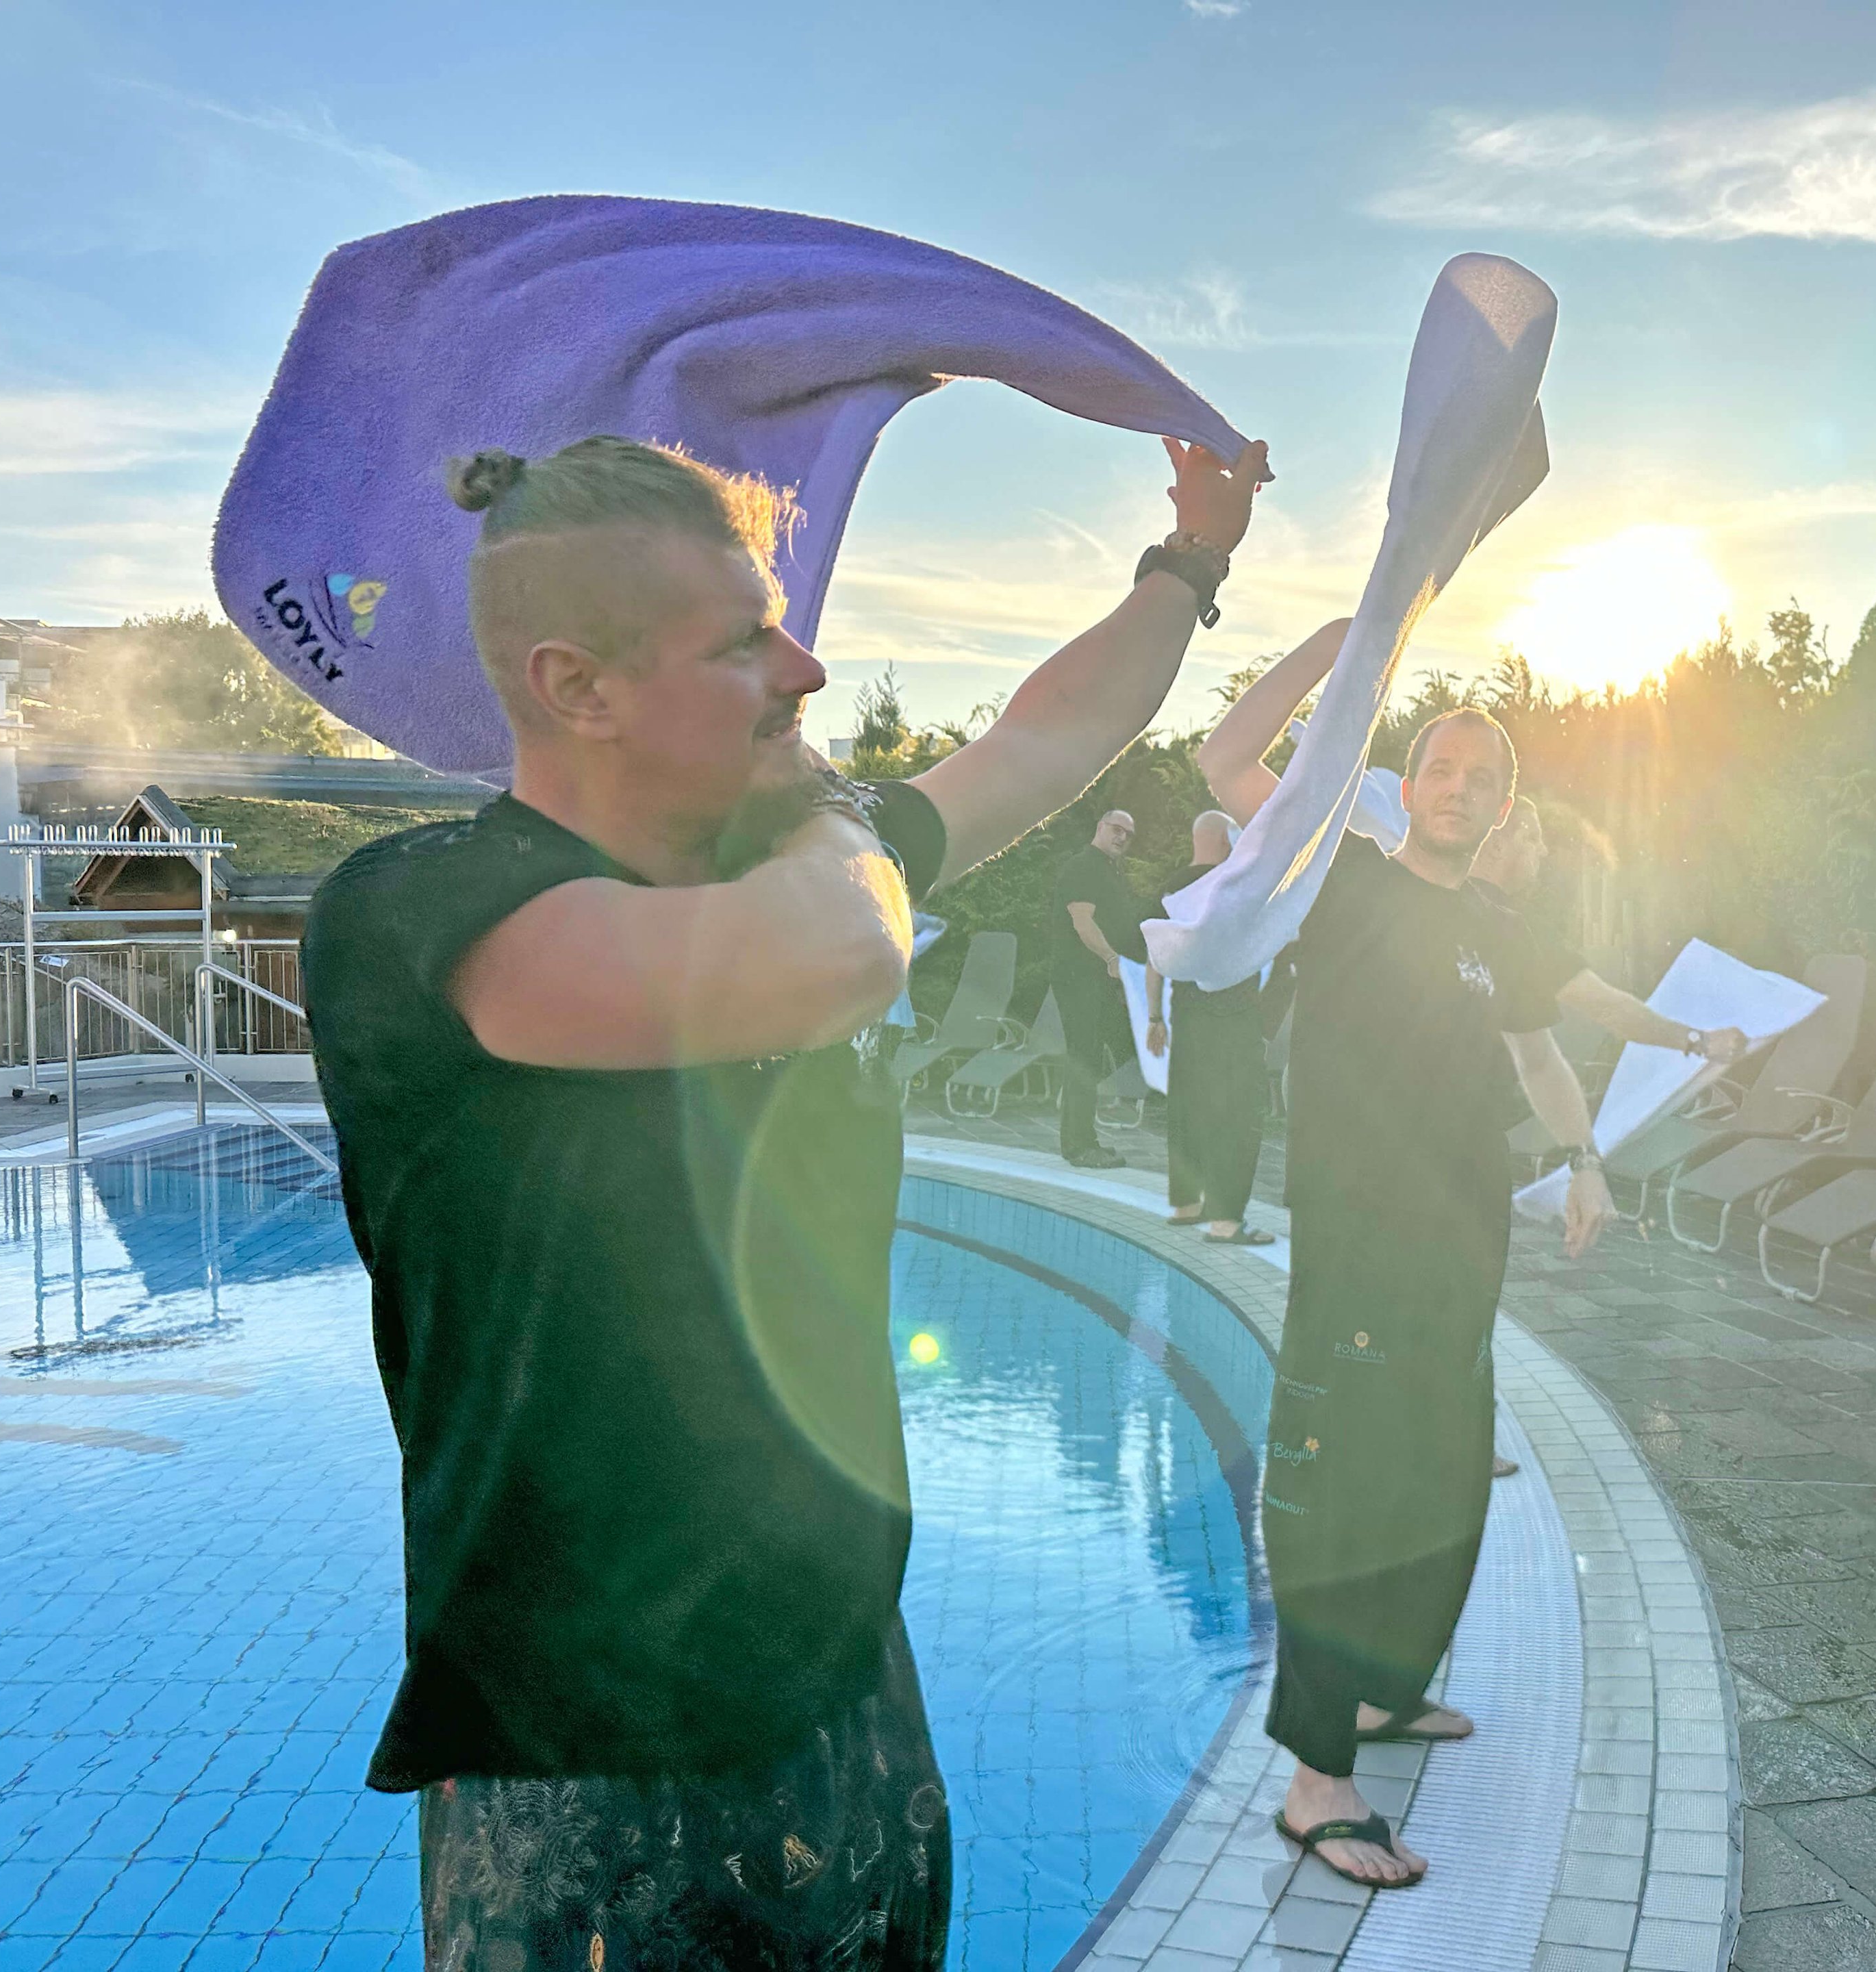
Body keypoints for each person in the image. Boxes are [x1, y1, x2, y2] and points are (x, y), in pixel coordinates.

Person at [303, 428, 1265, 1969]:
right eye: (747, 638)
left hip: (845, 1696)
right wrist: (844, 822)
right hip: (583, 1771)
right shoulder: (418, 915)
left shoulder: (815, 861)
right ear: (579, 688)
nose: (805, 670)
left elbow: (1042, 737)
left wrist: (1191, 561)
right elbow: (825, 962)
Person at [1200, 629, 1615, 1893]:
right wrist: (1337, 649)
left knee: (1442, 1484)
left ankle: (1381, 1694)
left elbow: (1539, 1054)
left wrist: (1587, 1158)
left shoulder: (1493, 925)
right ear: (1409, 780)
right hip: (1362, 1251)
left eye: (1486, 777)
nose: (1463, 788)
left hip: (1462, 1251)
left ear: (1499, 807)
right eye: (1443, 765)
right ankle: (1317, 1781)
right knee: (1344, 1495)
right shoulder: (1346, 879)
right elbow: (1227, 764)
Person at [1472, 795, 1749, 1063]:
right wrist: (1703, 1043)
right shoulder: (1512, 929)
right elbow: (1610, 1009)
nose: (1543, 851)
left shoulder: (1444, 902)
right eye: (1532, 838)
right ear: (1496, 845)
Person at [1143, 810, 1273, 1246]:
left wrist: (1155, 1017)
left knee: (1187, 1108)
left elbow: (1155, 959)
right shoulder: (1233, 884)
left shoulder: (1172, 888)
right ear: (1225, 840)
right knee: (1235, 1115)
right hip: (1232, 1015)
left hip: (1187, 1013)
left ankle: (1186, 1205)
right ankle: (1226, 1222)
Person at [1049, 809, 1146, 1169]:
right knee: (1083, 1057)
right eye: (1116, 829)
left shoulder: (1109, 870)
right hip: (1079, 977)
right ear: (1100, 827)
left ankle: (1085, 1140)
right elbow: (1082, 921)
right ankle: (1078, 1146)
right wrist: (1111, 959)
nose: (1122, 837)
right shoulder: (1084, 867)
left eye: (1128, 834)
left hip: (1098, 979)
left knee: (1091, 1057)